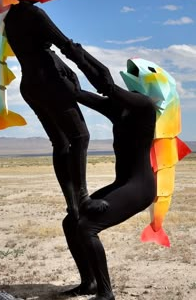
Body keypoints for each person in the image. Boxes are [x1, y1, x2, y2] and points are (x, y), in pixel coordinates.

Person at [60, 43, 157, 300]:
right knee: (72, 222)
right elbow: (79, 94)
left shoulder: (145, 107)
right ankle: (88, 282)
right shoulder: (119, 109)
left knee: (86, 227)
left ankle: (106, 293)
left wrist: (77, 54)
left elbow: (105, 85)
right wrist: (61, 72)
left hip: (140, 186)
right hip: (123, 182)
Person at [4, 1, 107, 221]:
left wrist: (65, 68)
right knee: (80, 136)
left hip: (30, 85)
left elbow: (41, 50)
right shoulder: (34, 13)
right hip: (49, 83)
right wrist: (96, 71)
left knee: (60, 143)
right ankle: (83, 201)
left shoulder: (9, 17)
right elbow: (65, 45)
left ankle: (72, 205)